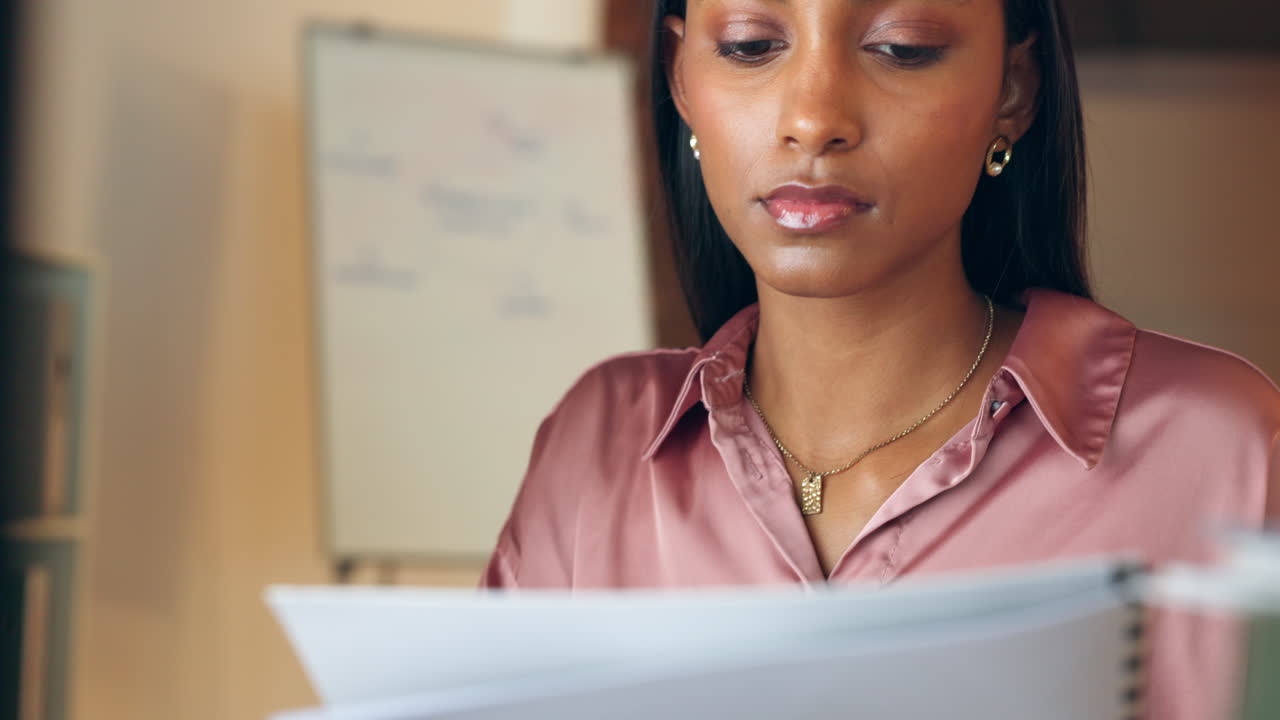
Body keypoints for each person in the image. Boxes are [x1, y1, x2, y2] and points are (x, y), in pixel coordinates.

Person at [482, 1, 1280, 717]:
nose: (813, 117)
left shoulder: (1222, 451)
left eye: (901, 47)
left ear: (1014, 90)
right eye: (753, 44)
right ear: (682, 82)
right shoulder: (598, 448)